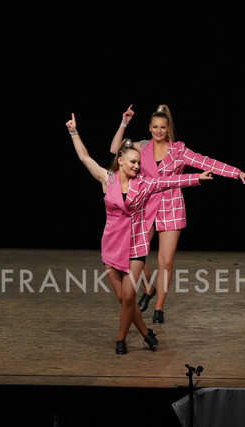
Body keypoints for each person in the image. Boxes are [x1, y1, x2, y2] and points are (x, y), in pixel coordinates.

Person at [66, 113, 213, 355]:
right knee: (123, 300)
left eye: (138, 162)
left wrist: (197, 177)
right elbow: (84, 157)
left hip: (135, 246)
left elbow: (170, 182)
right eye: (133, 162)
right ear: (121, 161)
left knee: (128, 298)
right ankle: (146, 333)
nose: (137, 166)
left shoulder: (143, 184)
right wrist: (73, 132)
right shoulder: (107, 179)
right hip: (111, 248)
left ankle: (121, 339)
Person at [110, 104, 245, 324]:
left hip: (171, 206)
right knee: (133, 253)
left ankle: (159, 308)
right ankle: (148, 289)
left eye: (162, 127)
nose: (158, 131)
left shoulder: (179, 150)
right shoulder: (142, 147)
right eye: (155, 127)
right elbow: (115, 150)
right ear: (149, 128)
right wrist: (124, 122)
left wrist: (237, 173)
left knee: (165, 261)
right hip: (145, 205)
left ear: (168, 128)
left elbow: (207, 162)